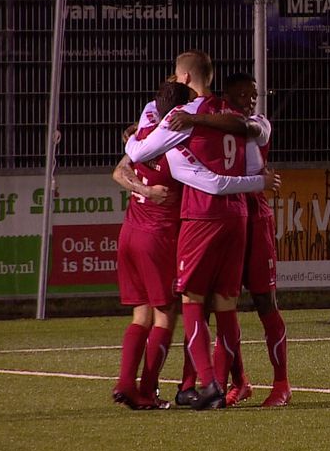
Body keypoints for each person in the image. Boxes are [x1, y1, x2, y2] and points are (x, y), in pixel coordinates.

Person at [125, 54, 279, 411]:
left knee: (193, 302)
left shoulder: (183, 116)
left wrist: (134, 142)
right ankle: (224, 383)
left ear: (183, 76)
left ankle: (207, 383)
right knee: (226, 303)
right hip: (239, 215)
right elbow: (255, 142)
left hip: (202, 217)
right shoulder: (231, 113)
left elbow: (144, 152)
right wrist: (258, 180)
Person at [170, 73, 291, 407]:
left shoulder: (257, 123)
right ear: (227, 96)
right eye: (242, 95)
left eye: (254, 96)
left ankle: (281, 383)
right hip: (229, 214)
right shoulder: (215, 121)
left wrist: (196, 118)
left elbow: (247, 129)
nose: (250, 101)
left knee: (265, 302)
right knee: (220, 303)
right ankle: (230, 381)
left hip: (256, 216)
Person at [109, 80, 192, 410]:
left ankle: (126, 384)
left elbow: (118, 171)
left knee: (140, 315)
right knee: (165, 315)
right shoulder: (177, 147)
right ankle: (147, 388)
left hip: (129, 232)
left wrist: (141, 190)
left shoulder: (141, 138)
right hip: (157, 238)